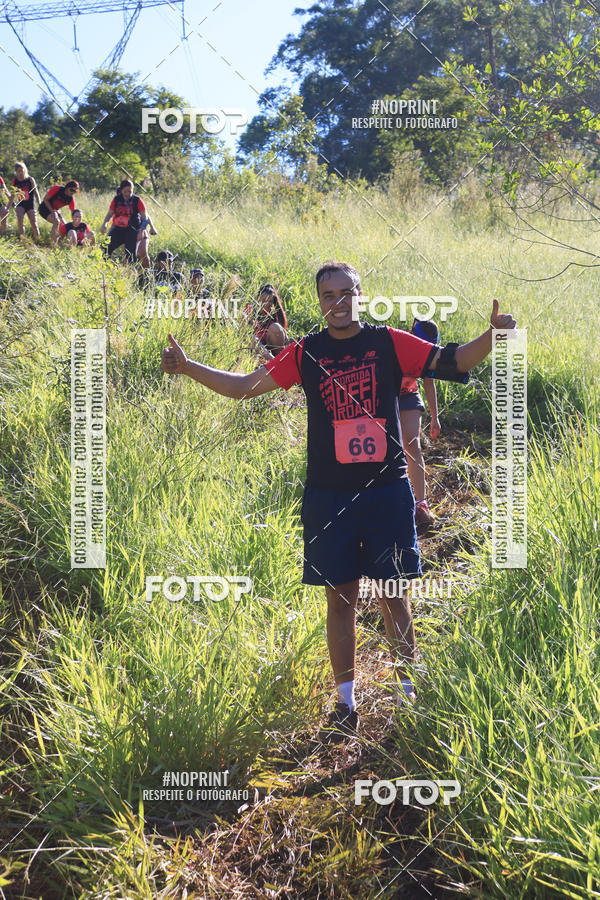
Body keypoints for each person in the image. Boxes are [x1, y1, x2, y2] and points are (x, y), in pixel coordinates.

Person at [161, 261, 516, 741]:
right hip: (329, 498)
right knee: (340, 601)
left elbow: (452, 361)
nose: (337, 303)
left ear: (360, 294)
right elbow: (244, 387)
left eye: (345, 292)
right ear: (319, 301)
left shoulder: (388, 341)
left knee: (395, 596)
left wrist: (492, 337)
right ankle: (345, 703)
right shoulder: (306, 352)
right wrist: (187, 368)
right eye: (328, 295)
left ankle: (409, 691)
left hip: (388, 492)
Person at [398, 318, 441, 528]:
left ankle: (420, 504)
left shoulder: (426, 353)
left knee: (412, 444)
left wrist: (435, 416)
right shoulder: (396, 344)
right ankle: (393, 499)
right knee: (390, 448)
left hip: (409, 395)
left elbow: (428, 382)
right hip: (386, 396)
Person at [101, 179, 150, 265]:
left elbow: (145, 218)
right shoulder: (116, 199)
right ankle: (106, 268)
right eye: (125, 191)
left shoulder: (137, 200)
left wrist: (141, 231)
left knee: (130, 255)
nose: (127, 194)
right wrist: (104, 224)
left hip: (132, 230)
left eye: (129, 191)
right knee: (106, 247)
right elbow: (109, 214)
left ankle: (132, 274)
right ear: (121, 190)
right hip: (118, 229)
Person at [245, 284, 289, 360]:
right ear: (258, 300)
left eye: (270, 301)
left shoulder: (275, 315)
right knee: (252, 339)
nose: (267, 304)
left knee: (276, 327)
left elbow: (284, 339)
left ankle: (279, 361)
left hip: (272, 349)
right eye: (264, 300)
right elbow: (246, 334)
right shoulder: (250, 311)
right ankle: (274, 361)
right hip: (254, 350)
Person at [39, 179, 79, 246]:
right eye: (71, 190)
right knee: (56, 221)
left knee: (65, 225)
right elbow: (45, 199)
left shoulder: (70, 199)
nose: (72, 192)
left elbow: (73, 212)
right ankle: (53, 245)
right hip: (44, 209)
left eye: (75, 191)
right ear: (67, 187)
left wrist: (77, 220)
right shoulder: (57, 189)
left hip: (55, 211)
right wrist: (52, 211)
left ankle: (60, 242)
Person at [11, 162, 41, 240]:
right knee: (20, 222)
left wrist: (40, 204)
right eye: (18, 171)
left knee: (33, 223)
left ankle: (38, 239)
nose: (20, 172)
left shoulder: (30, 179)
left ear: (25, 170)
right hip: (20, 203)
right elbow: (12, 194)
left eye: (22, 170)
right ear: (16, 172)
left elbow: (36, 192)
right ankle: (23, 240)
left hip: (30, 204)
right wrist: (8, 206)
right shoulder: (15, 181)